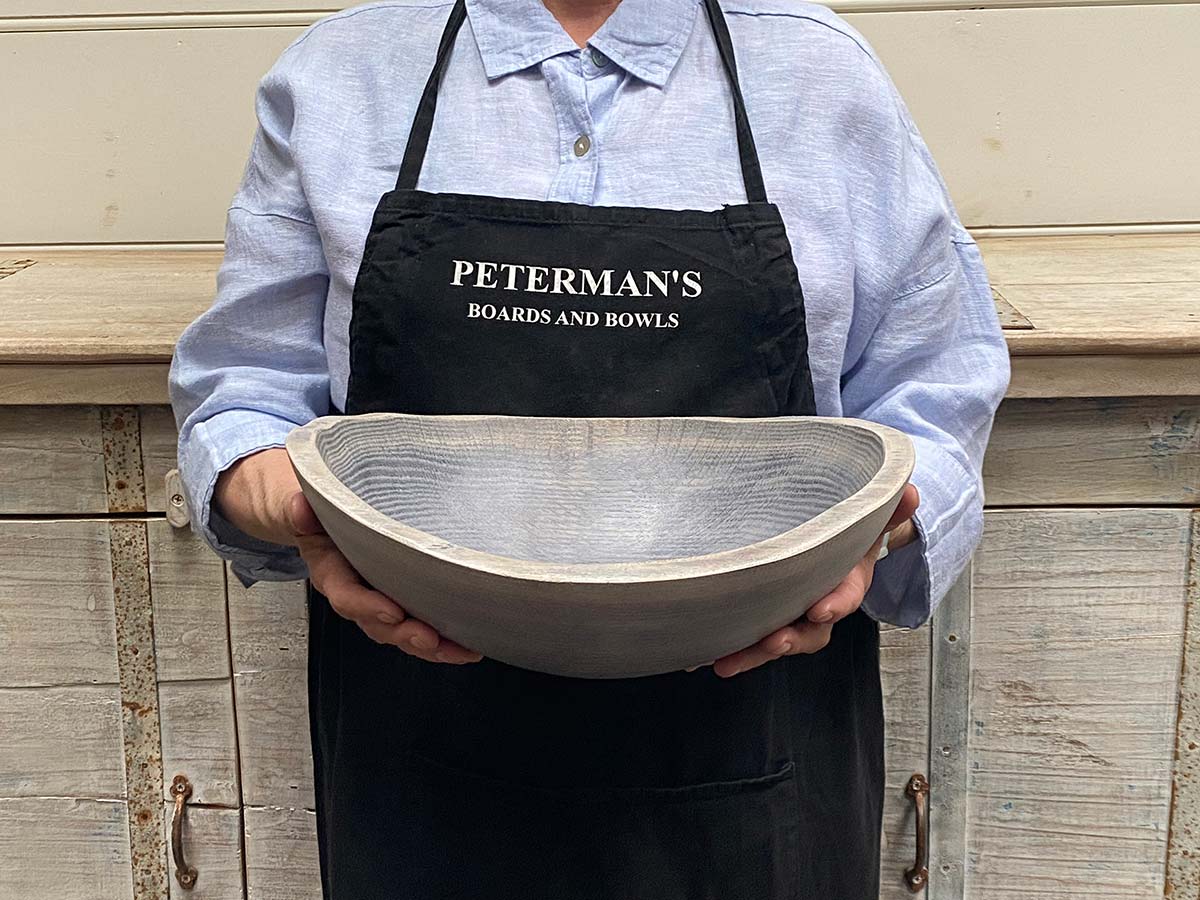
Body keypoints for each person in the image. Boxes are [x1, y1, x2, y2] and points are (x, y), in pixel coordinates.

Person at [169, 0, 1010, 897]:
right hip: (417, 761)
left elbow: (937, 391)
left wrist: (875, 530)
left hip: (760, 760)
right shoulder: (340, 74)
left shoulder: (822, 74)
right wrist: (293, 505)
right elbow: (245, 388)